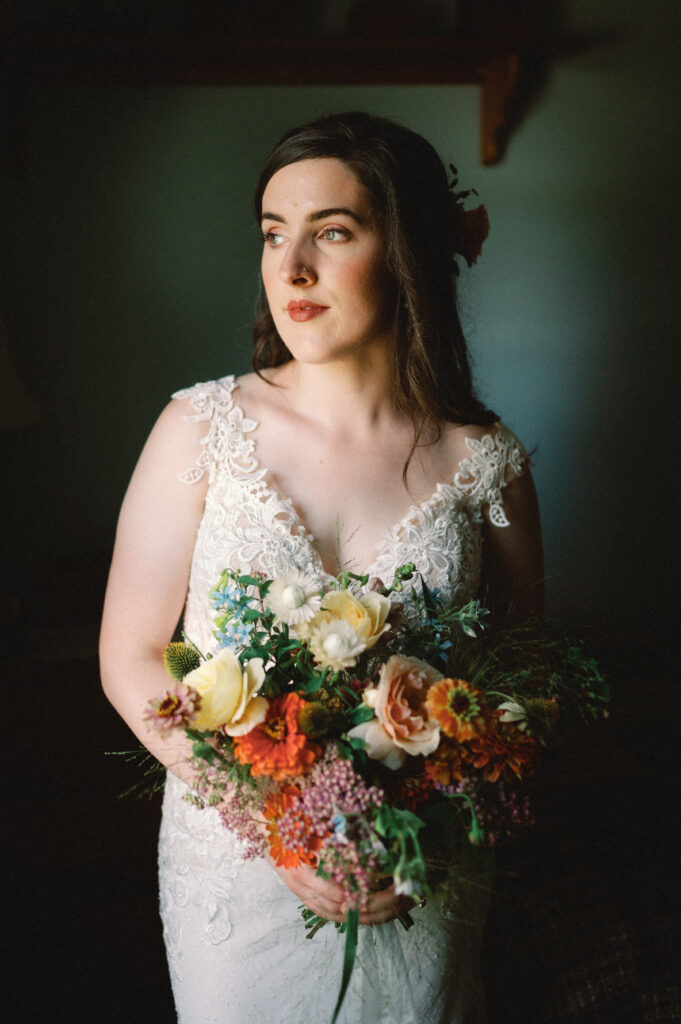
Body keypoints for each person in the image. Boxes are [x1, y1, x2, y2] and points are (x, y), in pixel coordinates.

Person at [100, 111, 543, 1023]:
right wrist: (275, 819)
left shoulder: (482, 459)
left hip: (416, 865)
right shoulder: (200, 430)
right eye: (273, 234)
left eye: (331, 232)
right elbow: (131, 658)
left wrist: (427, 812)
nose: (289, 267)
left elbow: (522, 681)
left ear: (408, 248)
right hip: (235, 863)